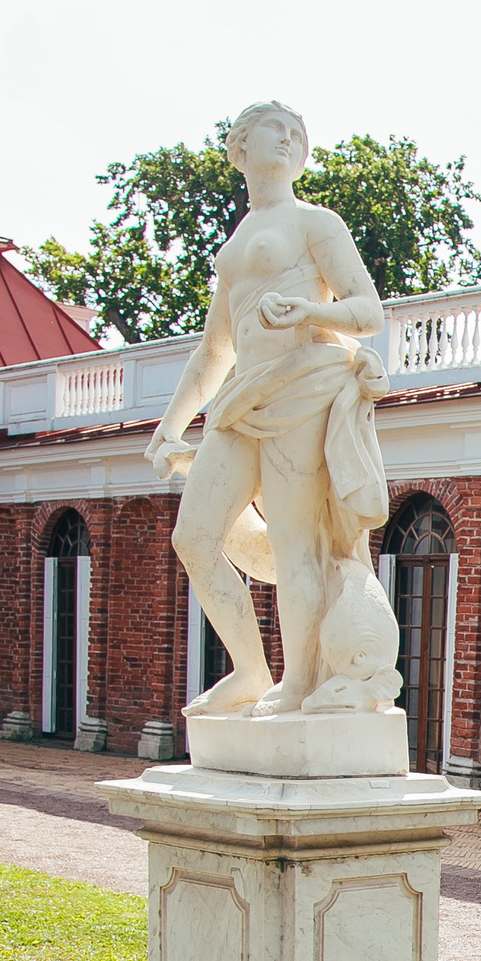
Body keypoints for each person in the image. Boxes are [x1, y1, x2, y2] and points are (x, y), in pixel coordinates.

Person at [144, 101, 399, 718]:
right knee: (195, 536)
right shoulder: (232, 251)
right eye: (273, 131)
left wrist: (310, 312)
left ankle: (298, 681)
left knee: (294, 545)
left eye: (296, 135)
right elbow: (213, 350)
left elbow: (367, 312)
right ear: (239, 148)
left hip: (302, 388)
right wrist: (168, 428)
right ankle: (251, 671)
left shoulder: (317, 223)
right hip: (241, 401)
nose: (287, 140)